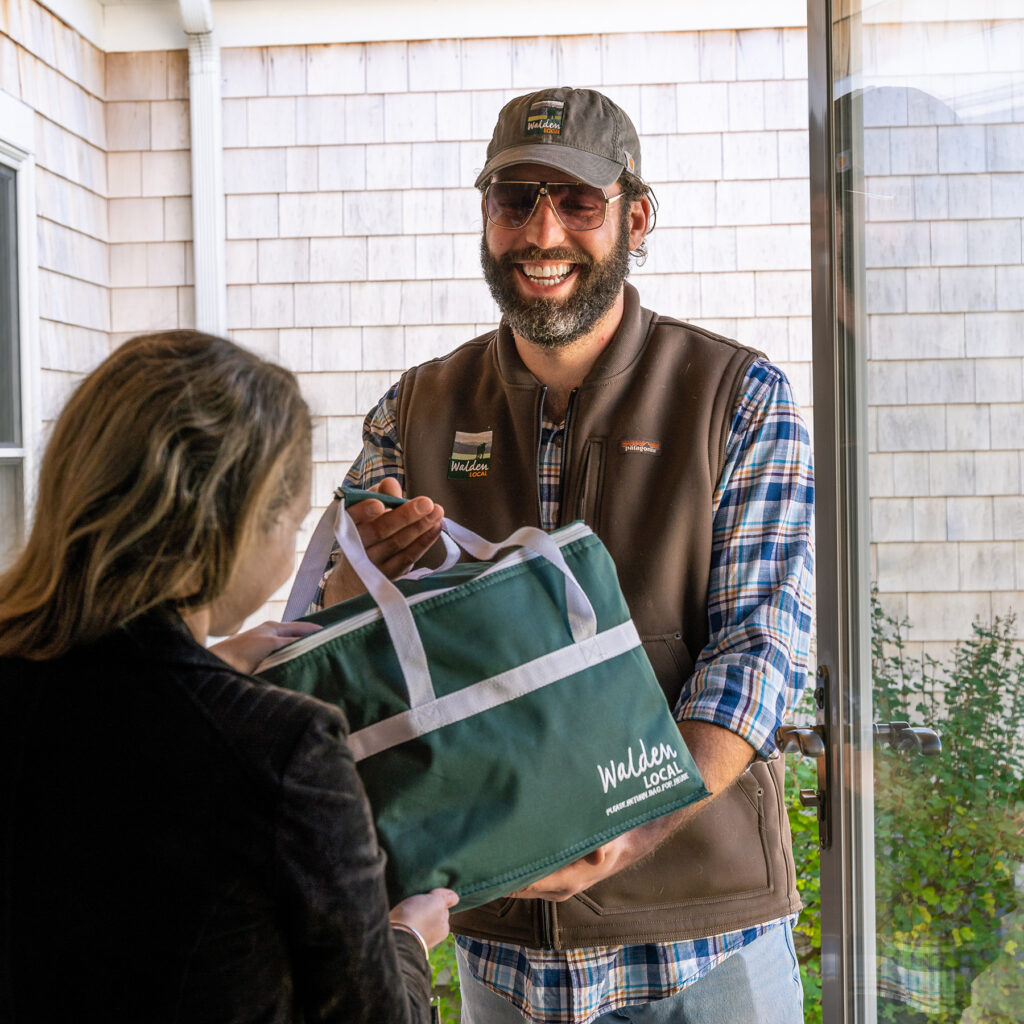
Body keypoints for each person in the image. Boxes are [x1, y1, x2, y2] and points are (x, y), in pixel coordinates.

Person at [322, 88, 814, 1023]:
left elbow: (762, 649)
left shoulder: (738, 396)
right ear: (485, 217)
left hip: (703, 945)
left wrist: (630, 833)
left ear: (635, 216)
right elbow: (344, 638)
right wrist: (366, 567)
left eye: (576, 203)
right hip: (501, 951)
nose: (542, 233)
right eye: (515, 202)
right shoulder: (413, 409)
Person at [0, 330, 457, 1023]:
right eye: (293, 520)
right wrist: (406, 939)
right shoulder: (282, 749)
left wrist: (204, 669)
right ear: (234, 524)